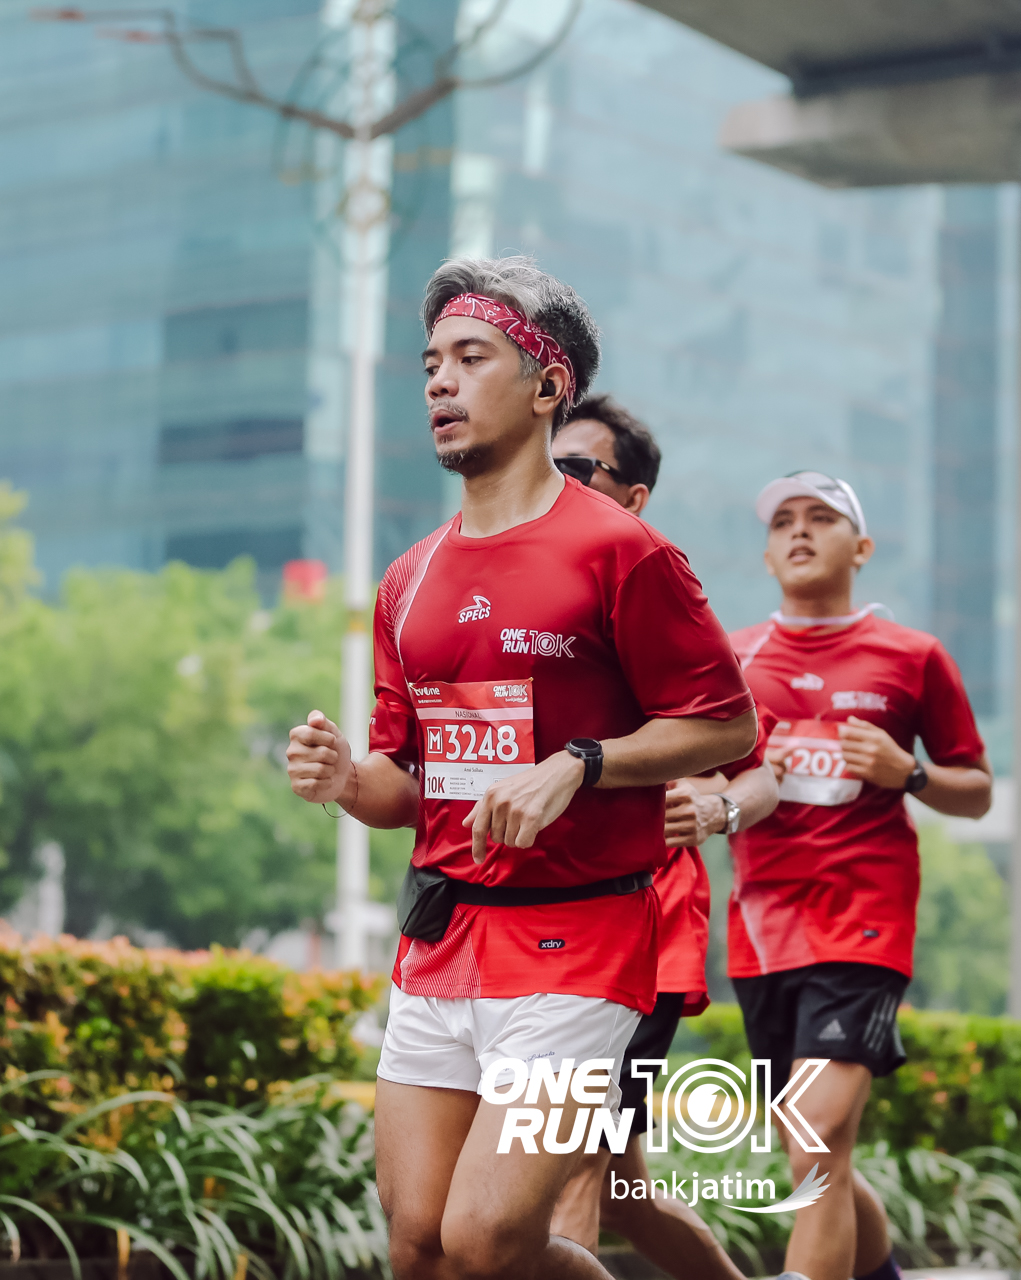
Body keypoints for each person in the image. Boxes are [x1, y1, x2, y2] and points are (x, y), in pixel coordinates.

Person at [285, 257, 757, 1280]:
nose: (440, 382)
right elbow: (407, 785)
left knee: (487, 1237)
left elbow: (726, 725)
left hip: (581, 946)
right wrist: (345, 779)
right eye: (430, 364)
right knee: (419, 1245)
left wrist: (580, 764)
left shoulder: (622, 552)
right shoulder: (408, 579)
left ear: (549, 386)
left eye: (470, 358)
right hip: (442, 939)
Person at [726, 471, 993, 1280]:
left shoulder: (913, 656)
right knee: (815, 1152)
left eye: (821, 517)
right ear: (767, 555)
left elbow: (976, 791)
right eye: (783, 522)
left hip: (863, 923)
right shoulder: (733, 658)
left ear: (862, 547)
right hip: (762, 932)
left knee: (815, 1139)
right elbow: (700, 775)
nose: (799, 531)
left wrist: (907, 773)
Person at [545, 398, 778, 1280]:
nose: (555, 483)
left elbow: (755, 768)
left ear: (633, 498)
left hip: (638, 936)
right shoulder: (523, 599)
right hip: (534, 931)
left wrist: (715, 809)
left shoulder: (655, 597)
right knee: (619, 1188)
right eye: (548, 464)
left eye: (579, 469)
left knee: (571, 1164)